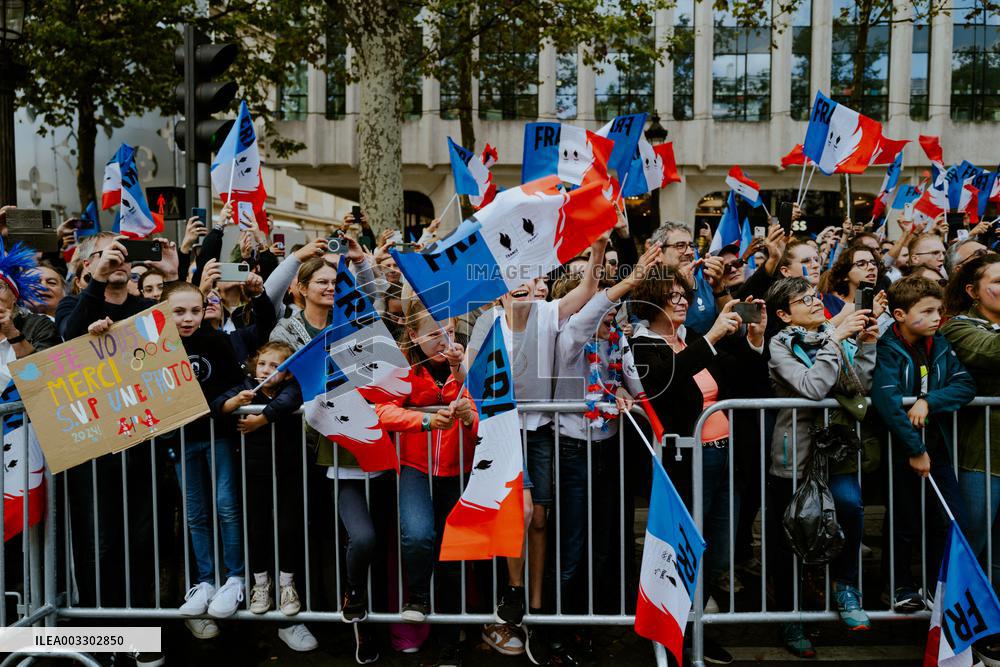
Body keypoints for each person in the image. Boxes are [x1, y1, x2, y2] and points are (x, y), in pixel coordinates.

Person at [628, 267, 767, 665]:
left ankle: (697, 629)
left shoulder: (691, 339)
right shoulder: (644, 346)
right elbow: (668, 384)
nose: (682, 301)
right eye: (672, 295)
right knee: (687, 549)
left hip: (725, 455)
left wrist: (754, 343)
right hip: (687, 461)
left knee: (719, 552)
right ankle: (678, 637)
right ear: (650, 302)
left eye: (685, 294)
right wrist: (713, 336)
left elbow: (747, 383)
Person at [56, 231, 179, 667]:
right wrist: (96, 283)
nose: (120, 261)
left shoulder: (145, 309)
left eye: (125, 255)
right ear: (87, 265)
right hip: (91, 451)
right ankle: (102, 638)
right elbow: (68, 336)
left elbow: (176, 337)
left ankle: (141, 633)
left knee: (142, 540)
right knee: (99, 544)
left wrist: (171, 276)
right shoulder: (75, 304)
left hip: (139, 444)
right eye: (109, 255)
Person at [547, 244, 658, 659]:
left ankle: (590, 622)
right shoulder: (568, 337)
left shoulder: (618, 342)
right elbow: (587, 317)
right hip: (573, 451)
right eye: (600, 304)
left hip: (608, 450)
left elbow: (640, 393)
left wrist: (632, 402)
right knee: (572, 547)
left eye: (612, 305)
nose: (608, 312)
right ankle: (559, 630)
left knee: (602, 544)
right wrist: (614, 276)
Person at [764, 277, 878, 658]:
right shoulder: (780, 345)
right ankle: (790, 617)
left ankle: (845, 587)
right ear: (783, 314)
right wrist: (835, 339)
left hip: (836, 449)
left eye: (814, 296)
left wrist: (865, 345)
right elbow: (812, 387)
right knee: (792, 536)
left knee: (849, 506)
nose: (814, 302)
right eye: (803, 299)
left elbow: (856, 385)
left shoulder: (834, 332)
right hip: (794, 456)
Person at [376, 304, 477, 667]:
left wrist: (468, 416)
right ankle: (417, 596)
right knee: (418, 535)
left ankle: (451, 638)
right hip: (416, 466)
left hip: (457, 469)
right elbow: (381, 410)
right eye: (434, 333)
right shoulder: (401, 365)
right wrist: (422, 421)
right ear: (415, 335)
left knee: (452, 554)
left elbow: (486, 410)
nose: (444, 340)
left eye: (449, 331)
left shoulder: (468, 361)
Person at [871, 275, 975, 612]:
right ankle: (898, 586)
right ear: (899, 314)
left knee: (951, 518)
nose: (936, 318)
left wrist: (928, 400)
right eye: (927, 311)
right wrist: (915, 449)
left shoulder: (941, 343)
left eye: (938, 311)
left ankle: (935, 586)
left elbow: (965, 385)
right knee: (904, 521)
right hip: (903, 450)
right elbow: (886, 400)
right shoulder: (888, 347)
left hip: (939, 448)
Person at [217, 341, 317, 652]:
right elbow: (218, 403)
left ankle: (287, 585)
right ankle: (261, 585)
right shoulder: (246, 387)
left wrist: (262, 418)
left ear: (288, 373)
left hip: (288, 473)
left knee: (288, 527)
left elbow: (292, 399)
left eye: (276, 367)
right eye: (263, 365)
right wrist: (234, 402)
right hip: (254, 476)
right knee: (257, 529)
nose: (267, 371)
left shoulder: (291, 389)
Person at [161, 282, 247, 635]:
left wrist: (215, 408)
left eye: (195, 310)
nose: (188, 318)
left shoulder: (215, 340)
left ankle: (235, 577)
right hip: (183, 442)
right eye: (178, 311)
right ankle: (205, 580)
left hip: (219, 438)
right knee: (194, 513)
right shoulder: (156, 348)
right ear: (164, 312)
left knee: (226, 506)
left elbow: (236, 384)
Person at [941, 254, 1000, 582]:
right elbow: (992, 353)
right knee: (971, 542)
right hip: (981, 457)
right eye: (997, 282)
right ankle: (950, 622)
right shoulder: (960, 328)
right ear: (972, 291)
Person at [647, 222, 725, 335]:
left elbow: (738, 332)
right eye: (680, 246)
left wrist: (719, 287)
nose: (689, 252)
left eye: (691, 246)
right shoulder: (646, 292)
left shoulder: (709, 284)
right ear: (659, 253)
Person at [817, 243, 879, 318]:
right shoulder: (830, 304)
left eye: (874, 263)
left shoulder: (880, 305)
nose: (872, 267)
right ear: (845, 275)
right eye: (861, 264)